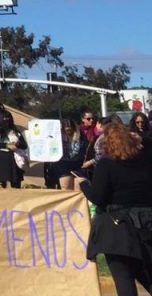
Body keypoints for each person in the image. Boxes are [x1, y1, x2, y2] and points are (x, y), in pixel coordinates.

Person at [79, 122, 152, 296]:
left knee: (124, 279)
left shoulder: (106, 164)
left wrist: (83, 185)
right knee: (147, 274)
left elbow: (98, 197)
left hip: (117, 228)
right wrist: (141, 139)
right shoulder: (146, 160)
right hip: (146, 223)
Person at [0, 110, 28, 188]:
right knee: (0, 184)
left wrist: (17, 144)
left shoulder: (15, 130)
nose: (7, 120)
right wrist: (6, 145)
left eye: (9, 118)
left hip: (14, 160)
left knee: (15, 183)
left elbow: (24, 145)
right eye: (5, 118)